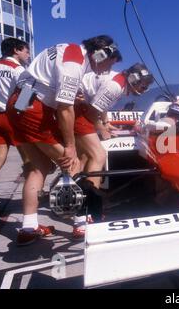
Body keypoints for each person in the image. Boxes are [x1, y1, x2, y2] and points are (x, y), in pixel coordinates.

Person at [7, 35, 120, 246]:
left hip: (20, 103)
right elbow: (65, 108)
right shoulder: (74, 61)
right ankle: (81, 222)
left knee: (38, 167)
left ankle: (29, 227)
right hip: (34, 107)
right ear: (100, 53)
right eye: (107, 64)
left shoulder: (67, 49)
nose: (104, 71)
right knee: (73, 164)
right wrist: (70, 147)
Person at [72, 63, 154, 239]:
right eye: (143, 86)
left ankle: (77, 205)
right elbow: (94, 110)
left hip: (79, 107)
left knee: (84, 158)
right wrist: (102, 129)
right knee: (98, 155)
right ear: (134, 79)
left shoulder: (119, 82)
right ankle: (86, 212)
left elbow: (101, 106)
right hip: (78, 109)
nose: (144, 90)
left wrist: (105, 123)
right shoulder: (116, 85)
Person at [0, 38, 31, 217]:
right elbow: (27, 94)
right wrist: (18, 112)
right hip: (14, 118)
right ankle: (33, 198)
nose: (27, 54)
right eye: (25, 50)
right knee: (30, 161)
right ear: (16, 50)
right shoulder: (18, 70)